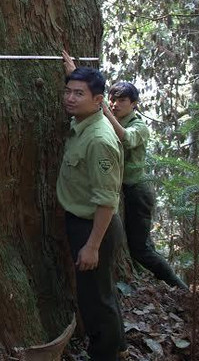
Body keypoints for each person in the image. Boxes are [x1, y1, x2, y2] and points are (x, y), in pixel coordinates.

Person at [63, 54, 186, 289]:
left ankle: (179, 288)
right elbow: (87, 100)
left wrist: (105, 110)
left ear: (134, 104)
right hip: (120, 191)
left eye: (122, 100)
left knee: (141, 249)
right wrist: (75, 76)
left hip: (137, 192)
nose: (116, 104)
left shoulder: (137, 125)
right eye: (113, 99)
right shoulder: (107, 117)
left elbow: (126, 139)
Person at [57, 65, 126, 360]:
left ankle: (106, 354)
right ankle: (118, 347)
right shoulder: (83, 123)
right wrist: (75, 72)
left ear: (98, 100)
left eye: (79, 93)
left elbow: (107, 200)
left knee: (96, 299)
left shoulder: (99, 140)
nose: (70, 98)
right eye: (68, 91)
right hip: (82, 222)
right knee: (99, 293)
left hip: (95, 227)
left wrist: (92, 246)